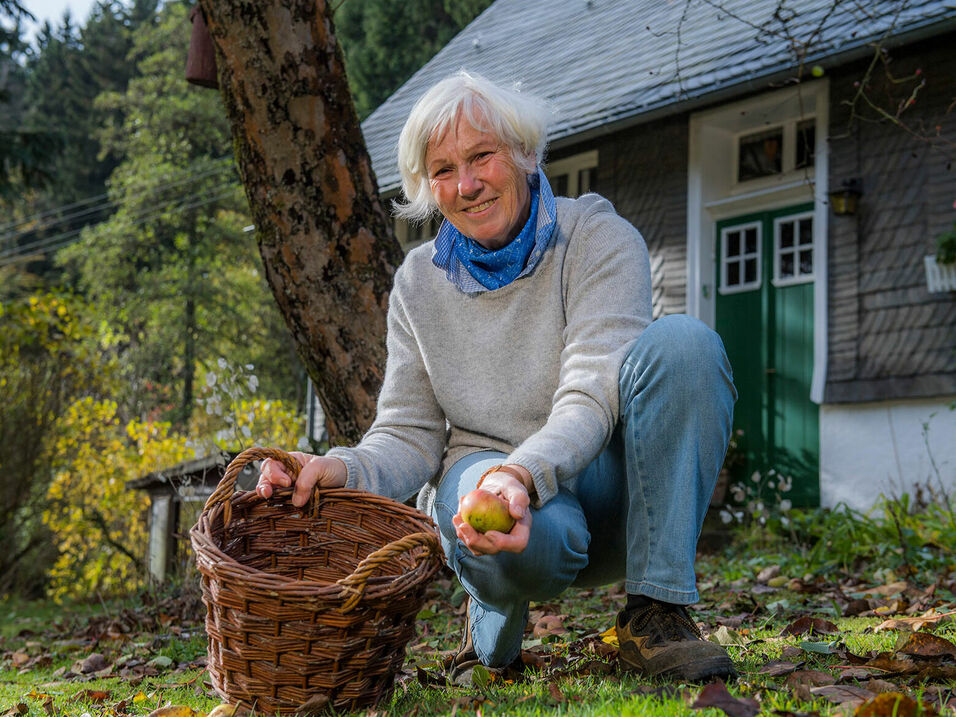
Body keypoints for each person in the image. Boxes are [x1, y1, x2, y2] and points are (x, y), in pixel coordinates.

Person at [256, 70, 737, 684]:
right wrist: (339, 469)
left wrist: (521, 471)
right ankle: (493, 616)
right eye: (443, 170)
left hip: (608, 486)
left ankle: (658, 614)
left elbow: (593, 390)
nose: (467, 184)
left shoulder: (597, 239)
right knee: (516, 532)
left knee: (685, 346)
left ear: (524, 153)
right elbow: (408, 432)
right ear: (428, 187)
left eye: (482, 155)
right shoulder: (417, 284)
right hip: (492, 487)